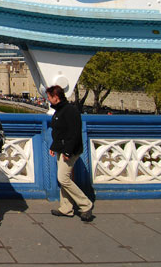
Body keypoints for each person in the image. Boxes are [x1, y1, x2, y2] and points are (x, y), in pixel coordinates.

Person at [46, 84, 94, 222]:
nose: (48, 100)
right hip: (61, 149)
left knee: (63, 178)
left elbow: (74, 133)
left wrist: (68, 151)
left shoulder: (70, 111)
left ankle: (85, 204)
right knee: (64, 178)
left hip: (70, 150)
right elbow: (59, 131)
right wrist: (54, 146)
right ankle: (66, 208)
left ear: (56, 97)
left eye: (49, 97)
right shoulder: (60, 110)